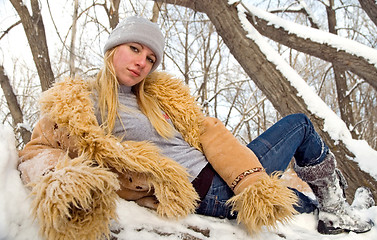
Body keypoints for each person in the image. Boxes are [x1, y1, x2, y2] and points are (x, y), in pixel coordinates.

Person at [18, 16, 374, 240]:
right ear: (113, 49)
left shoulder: (154, 101)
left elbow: (200, 137)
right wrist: (65, 183)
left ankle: (332, 206)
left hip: (222, 173)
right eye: (134, 49)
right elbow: (36, 149)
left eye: (150, 58)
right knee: (299, 127)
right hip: (206, 189)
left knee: (299, 197)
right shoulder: (81, 102)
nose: (142, 62)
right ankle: (335, 206)